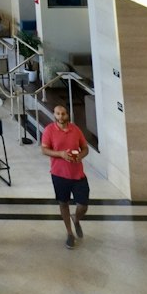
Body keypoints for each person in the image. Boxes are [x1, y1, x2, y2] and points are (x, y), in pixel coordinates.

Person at [41, 102, 90, 248]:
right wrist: (61, 154)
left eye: (63, 114)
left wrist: (80, 155)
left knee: (83, 204)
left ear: (68, 114)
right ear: (54, 115)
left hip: (77, 174)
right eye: (57, 113)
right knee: (63, 203)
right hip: (59, 174)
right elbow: (44, 150)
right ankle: (69, 233)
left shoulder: (75, 130)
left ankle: (76, 218)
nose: (60, 116)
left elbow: (85, 148)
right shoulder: (49, 130)